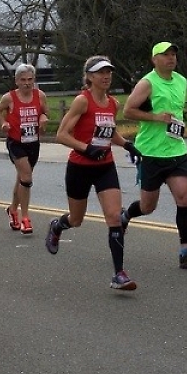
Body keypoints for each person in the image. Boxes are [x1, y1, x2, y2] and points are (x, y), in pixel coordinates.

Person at [44, 56, 142, 290]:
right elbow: (61, 135)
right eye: (100, 72)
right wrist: (87, 149)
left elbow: (109, 132)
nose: (106, 76)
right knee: (76, 220)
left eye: (108, 72)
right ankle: (57, 226)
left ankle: (119, 274)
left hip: (105, 166)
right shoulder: (82, 101)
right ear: (89, 76)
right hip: (80, 167)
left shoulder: (112, 103)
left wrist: (127, 144)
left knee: (115, 217)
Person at [120, 41, 187, 269]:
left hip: (177, 150)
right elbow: (128, 110)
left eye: (173, 54)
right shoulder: (147, 83)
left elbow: (174, 109)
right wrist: (155, 117)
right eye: (165, 54)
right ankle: (125, 216)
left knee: (183, 196)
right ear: (154, 59)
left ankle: (185, 251)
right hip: (151, 152)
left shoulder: (181, 81)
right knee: (148, 207)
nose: (171, 58)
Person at [0, 63, 48, 234]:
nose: (27, 83)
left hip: (33, 142)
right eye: (23, 80)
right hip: (16, 142)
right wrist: (3, 122)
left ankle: (12, 210)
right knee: (26, 178)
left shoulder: (40, 95)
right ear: (17, 81)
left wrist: (43, 118)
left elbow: (45, 112)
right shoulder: (9, 97)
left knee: (22, 179)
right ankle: (25, 217)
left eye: (30, 79)